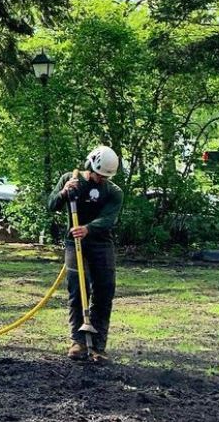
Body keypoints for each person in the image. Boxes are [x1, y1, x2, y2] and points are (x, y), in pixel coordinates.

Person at [47, 145, 123, 363]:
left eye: (105, 177)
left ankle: (98, 346)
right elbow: (51, 204)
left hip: (101, 245)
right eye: (99, 175)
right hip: (74, 243)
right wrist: (63, 193)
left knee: (104, 290)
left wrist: (89, 228)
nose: (101, 179)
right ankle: (78, 342)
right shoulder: (70, 180)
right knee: (77, 289)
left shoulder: (114, 192)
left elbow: (110, 219)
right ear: (91, 165)